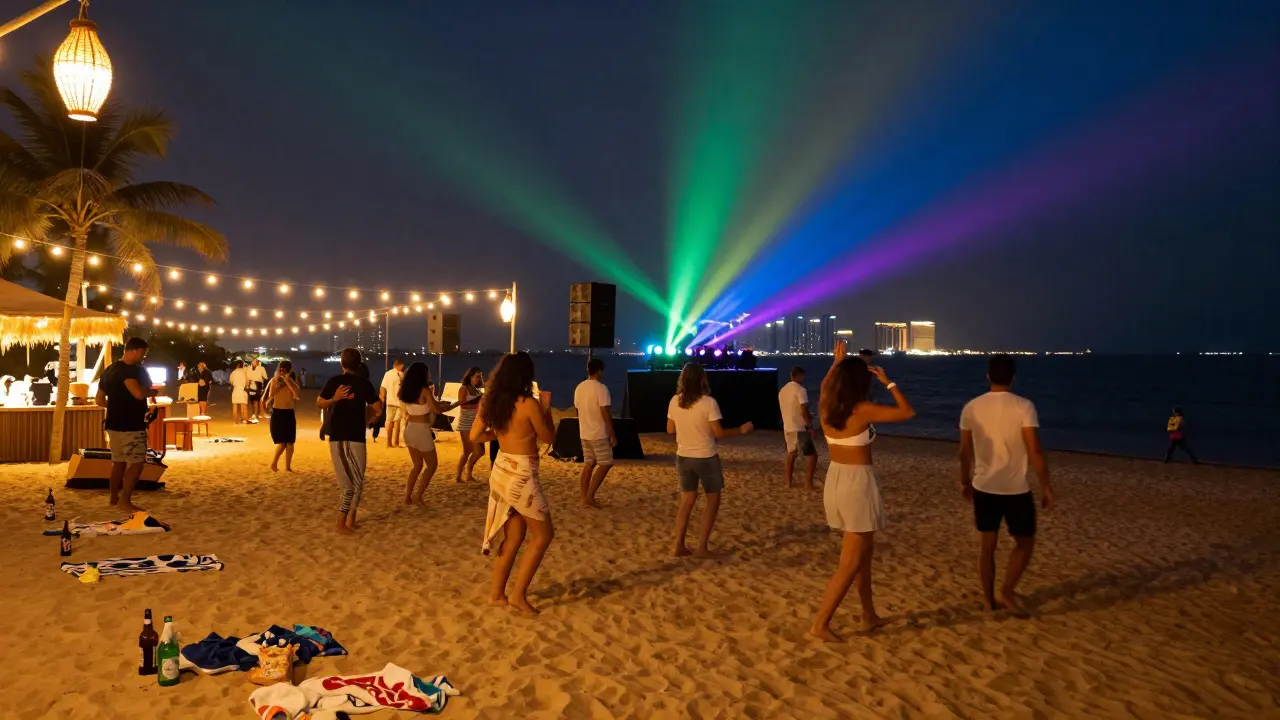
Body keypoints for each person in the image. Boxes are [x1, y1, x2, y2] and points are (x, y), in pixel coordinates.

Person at [809, 340, 915, 642]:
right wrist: (889, 382)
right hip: (857, 483)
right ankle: (820, 624)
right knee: (851, 562)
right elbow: (906, 412)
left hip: (837, 479)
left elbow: (826, 386)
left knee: (863, 554)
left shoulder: (826, 407)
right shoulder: (863, 409)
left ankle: (869, 614)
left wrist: (835, 363)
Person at [959, 354, 1054, 618]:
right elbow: (1034, 449)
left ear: (988, 376)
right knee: (1024, 543)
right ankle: (1007, 591)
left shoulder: (971, 407)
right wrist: (1046, 485)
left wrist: (964, 481)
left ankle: (989, 601)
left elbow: (964, 452)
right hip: (1015, 488)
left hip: (984, 485)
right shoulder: (1024, 406)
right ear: (1013, 377)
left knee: (987, 547)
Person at [472, 352, 557, 615]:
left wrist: (497, 433)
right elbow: (548, 438)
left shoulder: (490, 401)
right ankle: (518, 595)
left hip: (501, 469)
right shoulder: (528, 403)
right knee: (543, 535)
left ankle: (497, 594)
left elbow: (475, 436)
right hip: (522, 473)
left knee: (515, 535)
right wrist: (547, 410)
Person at [667, 362, 753, 559]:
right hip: (705, 456)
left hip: (683, 456)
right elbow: (719, 433)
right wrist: (741, 430)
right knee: (712, 500)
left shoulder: (674, 401)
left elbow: (670, 429)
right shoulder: (708, 403)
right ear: (701, 380)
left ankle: (679, 544)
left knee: (687, 500)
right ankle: (701, 547)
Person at [317, 348, 382, 534]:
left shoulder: (339, 382)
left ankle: (350, 520)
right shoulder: (361, 384)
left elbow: (320, 402)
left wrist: (333, 400)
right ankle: (341, 523)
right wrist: (370, 419)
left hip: (346, 437)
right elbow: (378, 408)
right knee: (351, 484)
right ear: (359, 363)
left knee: (356, 482)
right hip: (346, 436)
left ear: (342, 363)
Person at [94, 337, 152, 514]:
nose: (143, 357)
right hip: (131, 424)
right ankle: (125, 500)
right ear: (134, 350)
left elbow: (99, 399)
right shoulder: (128, 371)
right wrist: (150, 391)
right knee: (136, 463)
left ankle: (113, 498)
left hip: (113, 423)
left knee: (118, 462)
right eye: (142, 353)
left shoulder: (109, 370)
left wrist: (114, 406)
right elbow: (138, 394)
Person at [399, 362, 456, 505]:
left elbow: (431, 406)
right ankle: (418, 496)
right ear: (422, 374)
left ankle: (408, 496)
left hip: (410, 429)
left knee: (417, 466)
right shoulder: (424, 390)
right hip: (422, 431)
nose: (429, 374)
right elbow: (436, 410)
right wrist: (456, 404)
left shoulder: (405, 390)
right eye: (427, 372)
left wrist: (441, 404)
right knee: (432, 466)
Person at [574, 357, 617, 509]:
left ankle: (584, 497)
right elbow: (605, 412)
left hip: (584, 432)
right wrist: (612, 434)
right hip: (598, 433)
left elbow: (578, 410)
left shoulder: (579, 387)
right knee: (606, 463)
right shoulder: (601, 388)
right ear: (599, 370)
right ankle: (589, 496)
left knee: (589, 464)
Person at [779, 366, 818, 490]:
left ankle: (788, 483)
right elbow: (803, 409)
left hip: (787, 427)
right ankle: (808, 484)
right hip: (799, 427)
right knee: (812, 456)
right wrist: (810, 426)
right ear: (800, 376)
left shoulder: (782, 391)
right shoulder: (801, 390)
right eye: (803, 376)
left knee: (792, 454)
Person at [265, 360, 300, 472]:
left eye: (285, 369)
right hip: (278, 412)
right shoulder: (274, 380)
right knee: (282, 443)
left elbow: (296, 396)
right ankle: (274, 463)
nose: (283, 371)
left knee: (290, 442)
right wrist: (278, 380)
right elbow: (271, 395)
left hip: (289, 412)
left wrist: (287, 381)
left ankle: (288, 467)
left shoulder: (292, 382)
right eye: (281, 369)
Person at [454, 366, 485, 482]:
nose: (479, 378)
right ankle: (459, 475)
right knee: (468, 451)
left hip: (476, 423)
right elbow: (462, 404)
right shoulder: (464, 389)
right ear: (470, 377)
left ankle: (468, 473)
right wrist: (478, 406)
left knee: (480, 452)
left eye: (480, 376)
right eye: (477, 376)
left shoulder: (477, 390)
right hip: (466, 424)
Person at [379, 359, 406, 448]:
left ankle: (389, 442)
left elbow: (382, 387)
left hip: (390, 401)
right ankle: (396, 442)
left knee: (389, 421)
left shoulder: (387, 374)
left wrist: (382, 397)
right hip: (399, 402)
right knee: (397, 422)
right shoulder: (402, 375)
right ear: (400, 365)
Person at [247, 358, 269, 422]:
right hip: (258, 385)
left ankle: (256, 414)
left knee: (253, 401)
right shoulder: (261, 368)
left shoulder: (249, 368)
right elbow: (266, 377)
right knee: (258, 400)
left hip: (251, 385)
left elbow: (248, 377)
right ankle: (256, 415)